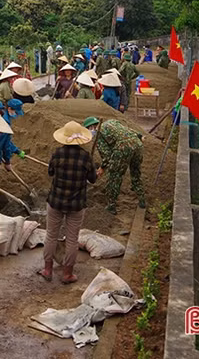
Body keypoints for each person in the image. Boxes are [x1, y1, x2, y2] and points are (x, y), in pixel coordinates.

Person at [37, 122, 96, 284]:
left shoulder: (57, 154)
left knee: (51, 235)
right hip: (76, 204)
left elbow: (50, 172)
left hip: (56, 201)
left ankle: (47, 269)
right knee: (72, 239)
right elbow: (92, 179)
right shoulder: (86, 157)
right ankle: (67, 273)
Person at [83, 117, 145, 214]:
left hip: (123, 147)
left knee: (114, 176)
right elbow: (127, 129)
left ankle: (111, 205)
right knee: (135, 171)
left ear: (91, 127)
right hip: (137, 143)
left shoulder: (98, 135)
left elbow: (107, 156)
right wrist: (140, 136)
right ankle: (142, 199)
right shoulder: (111, 122)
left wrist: (102, 168)